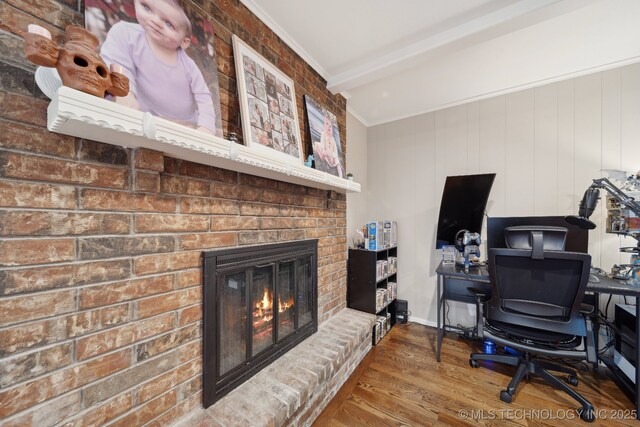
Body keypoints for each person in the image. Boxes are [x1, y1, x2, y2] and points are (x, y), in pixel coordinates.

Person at [100, 0, 217, 134]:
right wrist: (125, 95)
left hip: (186, 125)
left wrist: (206, 127)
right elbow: (118, 63)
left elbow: (203, 96)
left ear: (184, 42)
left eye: (169, 24)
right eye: (147, 8)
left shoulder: (189, 65)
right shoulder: (125, 34)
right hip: (144, 119)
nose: (155, 21)